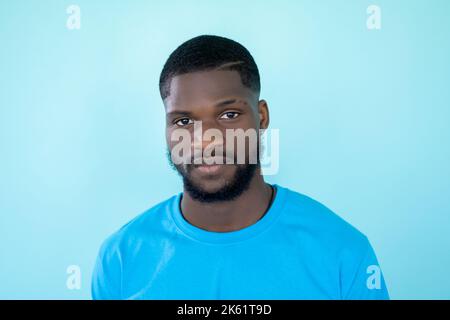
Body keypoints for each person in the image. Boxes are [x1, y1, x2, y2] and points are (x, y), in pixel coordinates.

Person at [91, 35, 389, 299]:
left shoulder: (342, 252)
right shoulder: (120, 259)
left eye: (229, 114)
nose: (205, 140)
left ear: (261, 117)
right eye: (183, 121)